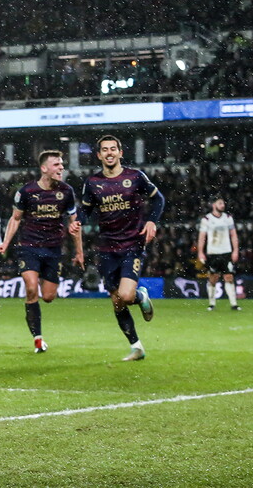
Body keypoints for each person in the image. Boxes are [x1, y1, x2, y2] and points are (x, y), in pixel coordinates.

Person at [77, 135, 164, 361]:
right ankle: (137, 347)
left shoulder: (135, 177)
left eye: (113, 149)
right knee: (116, 301)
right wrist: (78, 221)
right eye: (105, 150)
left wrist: (152, 221)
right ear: (99, 155)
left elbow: (159, 199)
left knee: (126, 295)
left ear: (120, 152)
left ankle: (139, 295)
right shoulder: (92, 182)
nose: (109, 153)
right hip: (107, 248)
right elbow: (85, 210)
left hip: (132, 243)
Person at [0, 151, 84, 353]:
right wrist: (5, 242)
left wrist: (79, 252)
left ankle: (37, 332)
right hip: (29, 247)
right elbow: (16, 219)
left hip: (54, 249)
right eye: (56, 164)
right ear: (44, 168)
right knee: (31, 288)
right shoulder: (26, 191)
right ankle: (38, 339)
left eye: (62, 164)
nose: (61, 168)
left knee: (48, 296)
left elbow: (75, 223)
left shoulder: (67, 191)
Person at [197, 197, 240, 311]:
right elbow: (202, 237)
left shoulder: (228, 218)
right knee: (213, 278)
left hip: (226, 252)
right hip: (213, 253)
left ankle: (234, 304)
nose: (223, 205)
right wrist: (200, 252)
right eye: (220, 203)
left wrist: (235, 250)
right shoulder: (206, 219)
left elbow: (233, 235)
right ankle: (212, 304)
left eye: (223, 203)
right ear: (214, 205)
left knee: (229, 277)